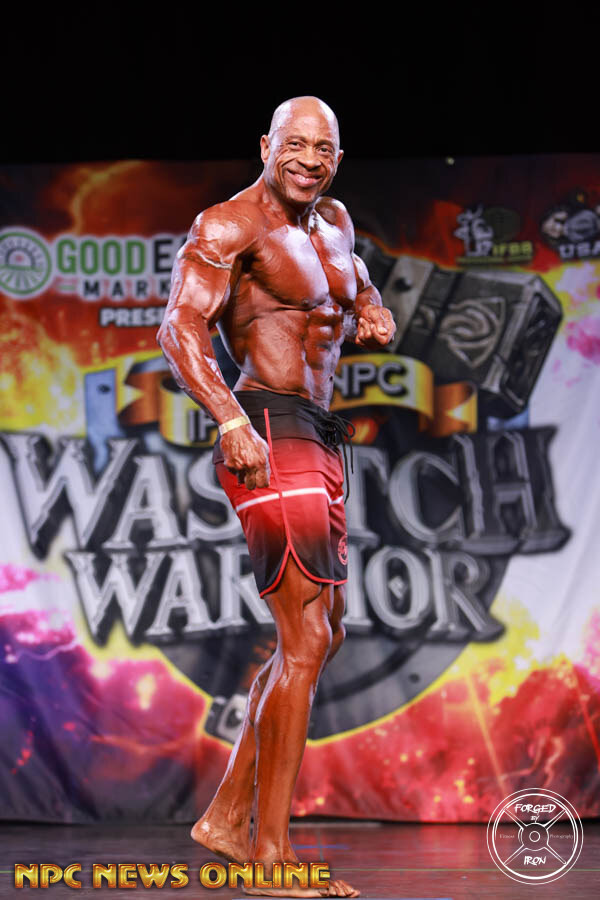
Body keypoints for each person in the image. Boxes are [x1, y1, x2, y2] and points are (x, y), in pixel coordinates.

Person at [157, 96, 395, 898]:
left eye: (323, 148)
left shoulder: (337, 222)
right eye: (295, 144)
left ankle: (229, 818)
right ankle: (269, 857)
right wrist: (229, 419)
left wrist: (371, 307)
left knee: (321, 634)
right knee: (306, 635)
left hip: (319, 433)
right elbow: (179, 328)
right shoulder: (230, 224)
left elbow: (354, 284)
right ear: (266, 145)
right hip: (265, 423)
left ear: (338, 158)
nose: (309, 159)